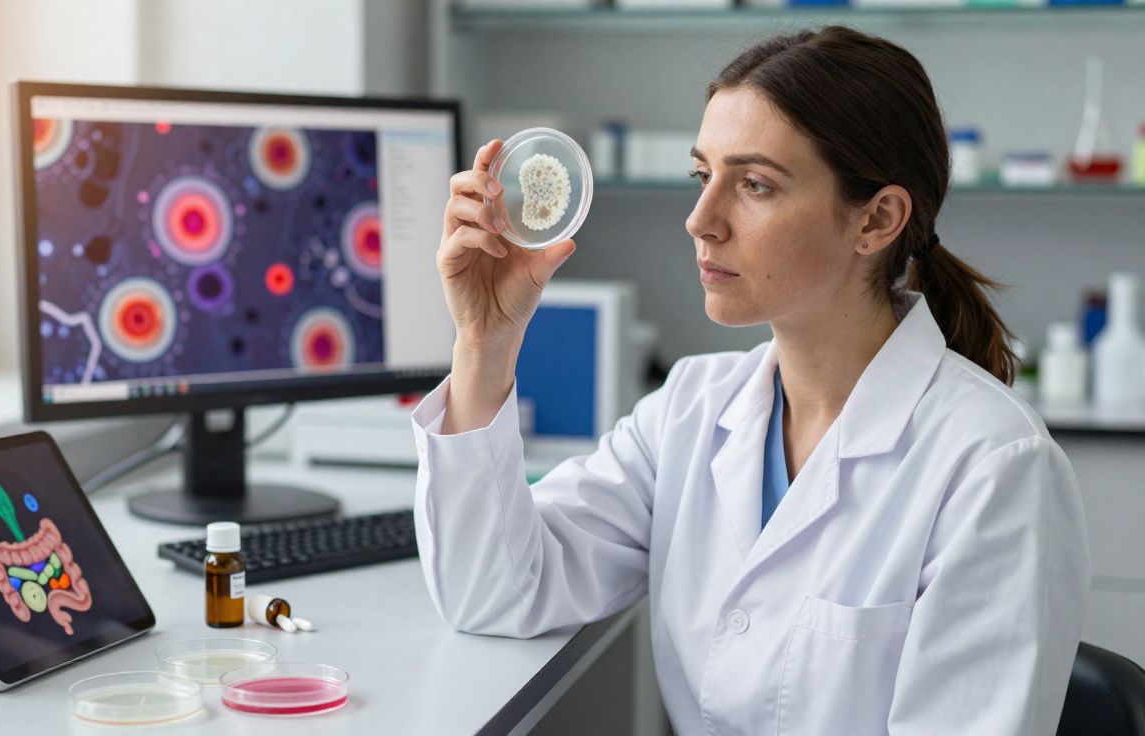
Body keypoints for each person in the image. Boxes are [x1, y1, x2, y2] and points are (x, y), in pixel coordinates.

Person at [410, 25, 1090, 735]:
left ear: (877, 219)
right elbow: (495, 594)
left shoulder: (995, 468)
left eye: (755, 185)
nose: (700, 221)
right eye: (702, 176)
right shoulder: (691, 409)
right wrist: (484, 343)